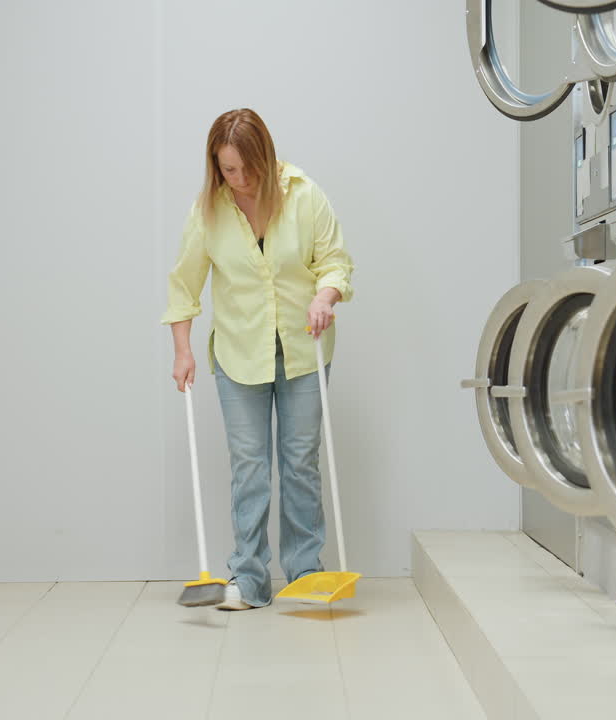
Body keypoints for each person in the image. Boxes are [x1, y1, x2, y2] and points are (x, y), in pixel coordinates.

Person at [161, 108, 354, 610]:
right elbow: (184, 286)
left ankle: (306, 573)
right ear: (216, 166)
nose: (240, 180)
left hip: (303, 349)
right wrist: (182, 351)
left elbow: (335, 261)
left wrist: (325, 297)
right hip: (238, 353)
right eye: (228, 170)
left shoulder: (305, 196)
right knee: (249, 467)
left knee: (299, 464)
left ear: (265, 157)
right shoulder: (208, 212)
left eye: (248, 167)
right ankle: (248, 579)